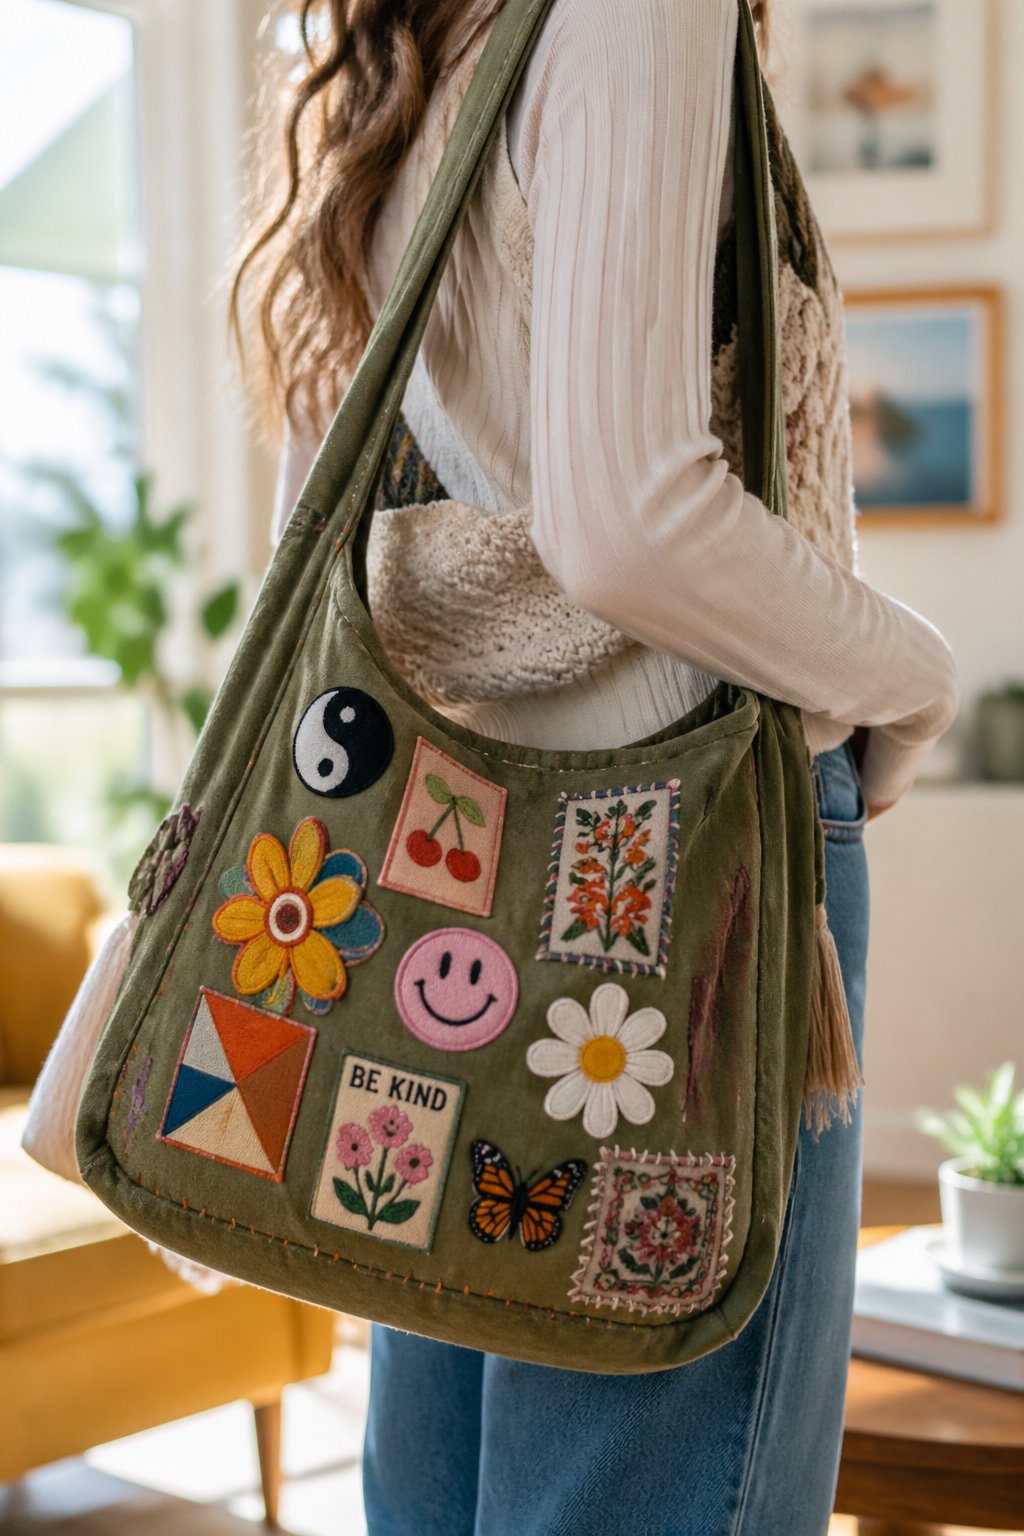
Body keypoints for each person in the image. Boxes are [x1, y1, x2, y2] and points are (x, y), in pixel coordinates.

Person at [229, 1, 960, 1531]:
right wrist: (914, 676)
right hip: (686, 863)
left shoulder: (416, 55)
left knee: (446, 1488)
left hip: (453, 865)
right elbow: (630, 517)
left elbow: (329, 515)